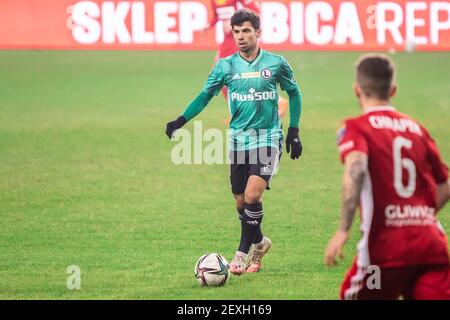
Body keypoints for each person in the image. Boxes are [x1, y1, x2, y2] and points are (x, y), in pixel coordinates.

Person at [166, 9, 303, 275]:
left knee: (253, 195)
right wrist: (180, 120)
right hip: (239, 142)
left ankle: (240, 255)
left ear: (258, 33)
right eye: (236, 31)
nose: (240, 37)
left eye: (246, 31)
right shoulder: (225, 66)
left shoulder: (275, 63)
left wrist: (293, 131)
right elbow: (204, 96)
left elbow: (295, 94)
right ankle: (260, 243)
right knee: (241, 202)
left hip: (268, 139)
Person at [324, 53, 450, 299]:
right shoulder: (417, 129)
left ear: (357, 90)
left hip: (384, 253)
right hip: (431, 247)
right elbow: (445, 185)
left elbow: (356, 168)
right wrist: (417, 216)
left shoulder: (356, 127)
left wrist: (342, 230)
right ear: (393, 90)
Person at [202, 0, 289, 120]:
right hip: (227, 41)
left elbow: (255, 8)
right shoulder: (214, 1)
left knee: (225, 76)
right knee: (224, 77)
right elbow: (218, 16)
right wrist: (209, 25)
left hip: (237, 39)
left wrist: (240, 25)